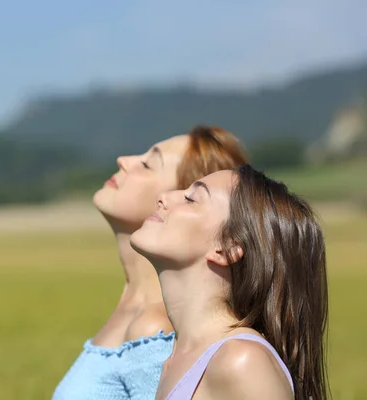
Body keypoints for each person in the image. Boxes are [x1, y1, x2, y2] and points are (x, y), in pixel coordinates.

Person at [52, 126, 248, 400]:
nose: (124, 160)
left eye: (147, 164)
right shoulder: (138, 309)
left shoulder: (158, 327)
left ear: (182, 198)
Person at [130, 164, 329, 400]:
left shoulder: (241, 362)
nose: (163, 197)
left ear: (228, 249)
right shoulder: (177, 358)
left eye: (191, 199)